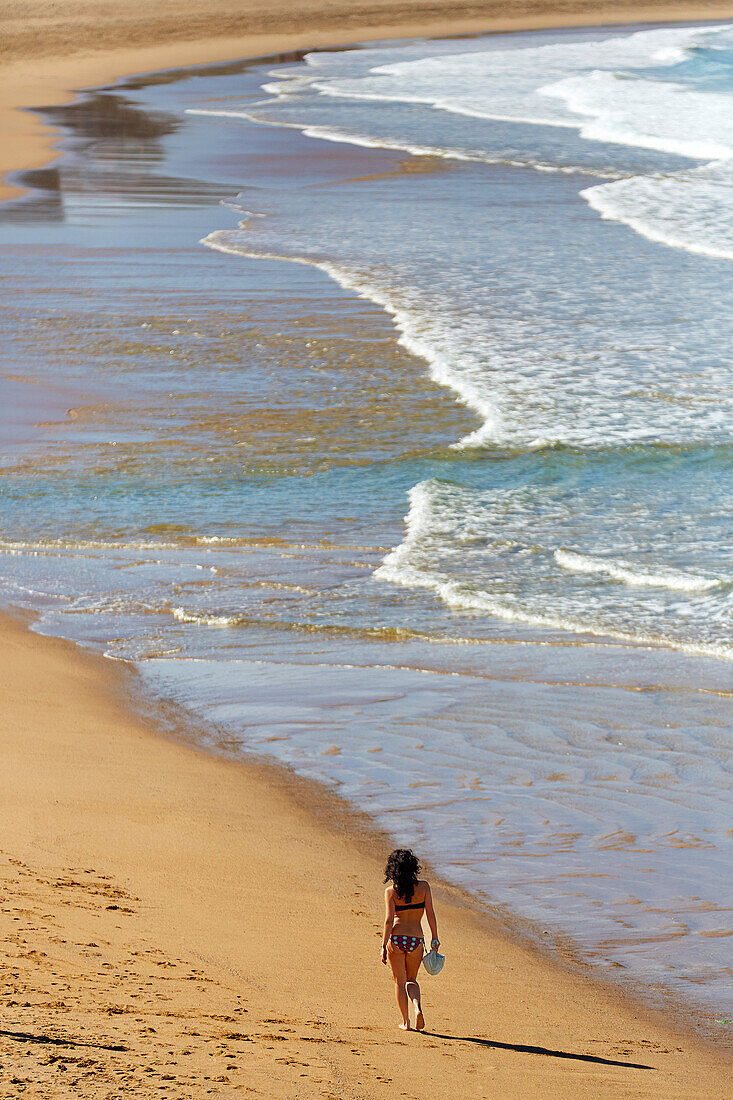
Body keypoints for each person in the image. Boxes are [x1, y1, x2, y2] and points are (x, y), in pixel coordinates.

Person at [380, 848, 439, 1031]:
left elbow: (389, 920)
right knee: (411, 980)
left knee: (399, 981)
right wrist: (435, 939)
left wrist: (383, 945)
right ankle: (417, 1007)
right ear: (413, 867)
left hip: (397, 939)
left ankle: (406, 1023)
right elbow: (430, 915)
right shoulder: (424, 888)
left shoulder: (391, 892)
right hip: (416, 940)